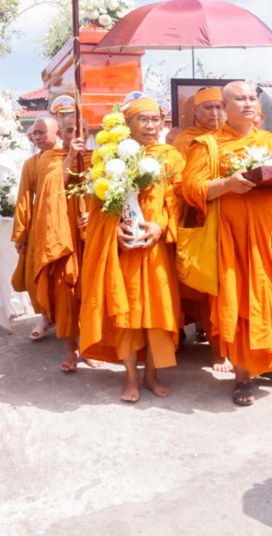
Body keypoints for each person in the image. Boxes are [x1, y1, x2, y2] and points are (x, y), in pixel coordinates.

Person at [182, 80, 272, 406]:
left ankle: (271, 363)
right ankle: (243, 374)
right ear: (225, 105)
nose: (248, 103)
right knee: (240, 304)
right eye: (240, 98)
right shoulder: (207, 145)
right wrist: (227, 185)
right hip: (231, 239)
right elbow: (192, 188)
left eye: (252, 98)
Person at [80, 97, 183, 402]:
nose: (151, 126)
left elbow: (176, 203)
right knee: (126, 314)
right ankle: (131, 378)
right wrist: (114, 230)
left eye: (156, 120)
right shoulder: (108, 159)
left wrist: (160, 226)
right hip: (123, 249)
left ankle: (151, 376)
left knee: (159, 314)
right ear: (128, 125)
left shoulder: (171, 158)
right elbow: (97, 207)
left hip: (156, 249)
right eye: (143, 120)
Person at [11, 114, 84, 372]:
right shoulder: (35, 163)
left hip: (81, 229)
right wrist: (21, 233)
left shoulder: (83, 155)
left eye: (42, 131)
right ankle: (69, 346)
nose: (38, 136)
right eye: (35, 133)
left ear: (59, 133)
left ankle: (90, 345)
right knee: (61, 285)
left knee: (86, 287)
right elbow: (25, 198)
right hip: (51, 231)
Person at [169, 86, 232, 372]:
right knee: (194, 281)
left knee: (221, 285)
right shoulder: (185, 140)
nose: (215, 113)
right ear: (196, 112)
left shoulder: (233, 138)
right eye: (208, 108)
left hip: (230, 219)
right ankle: (180, 332)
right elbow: (177, 181)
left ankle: (220, 343)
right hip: (193, 216)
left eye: (220, 107)